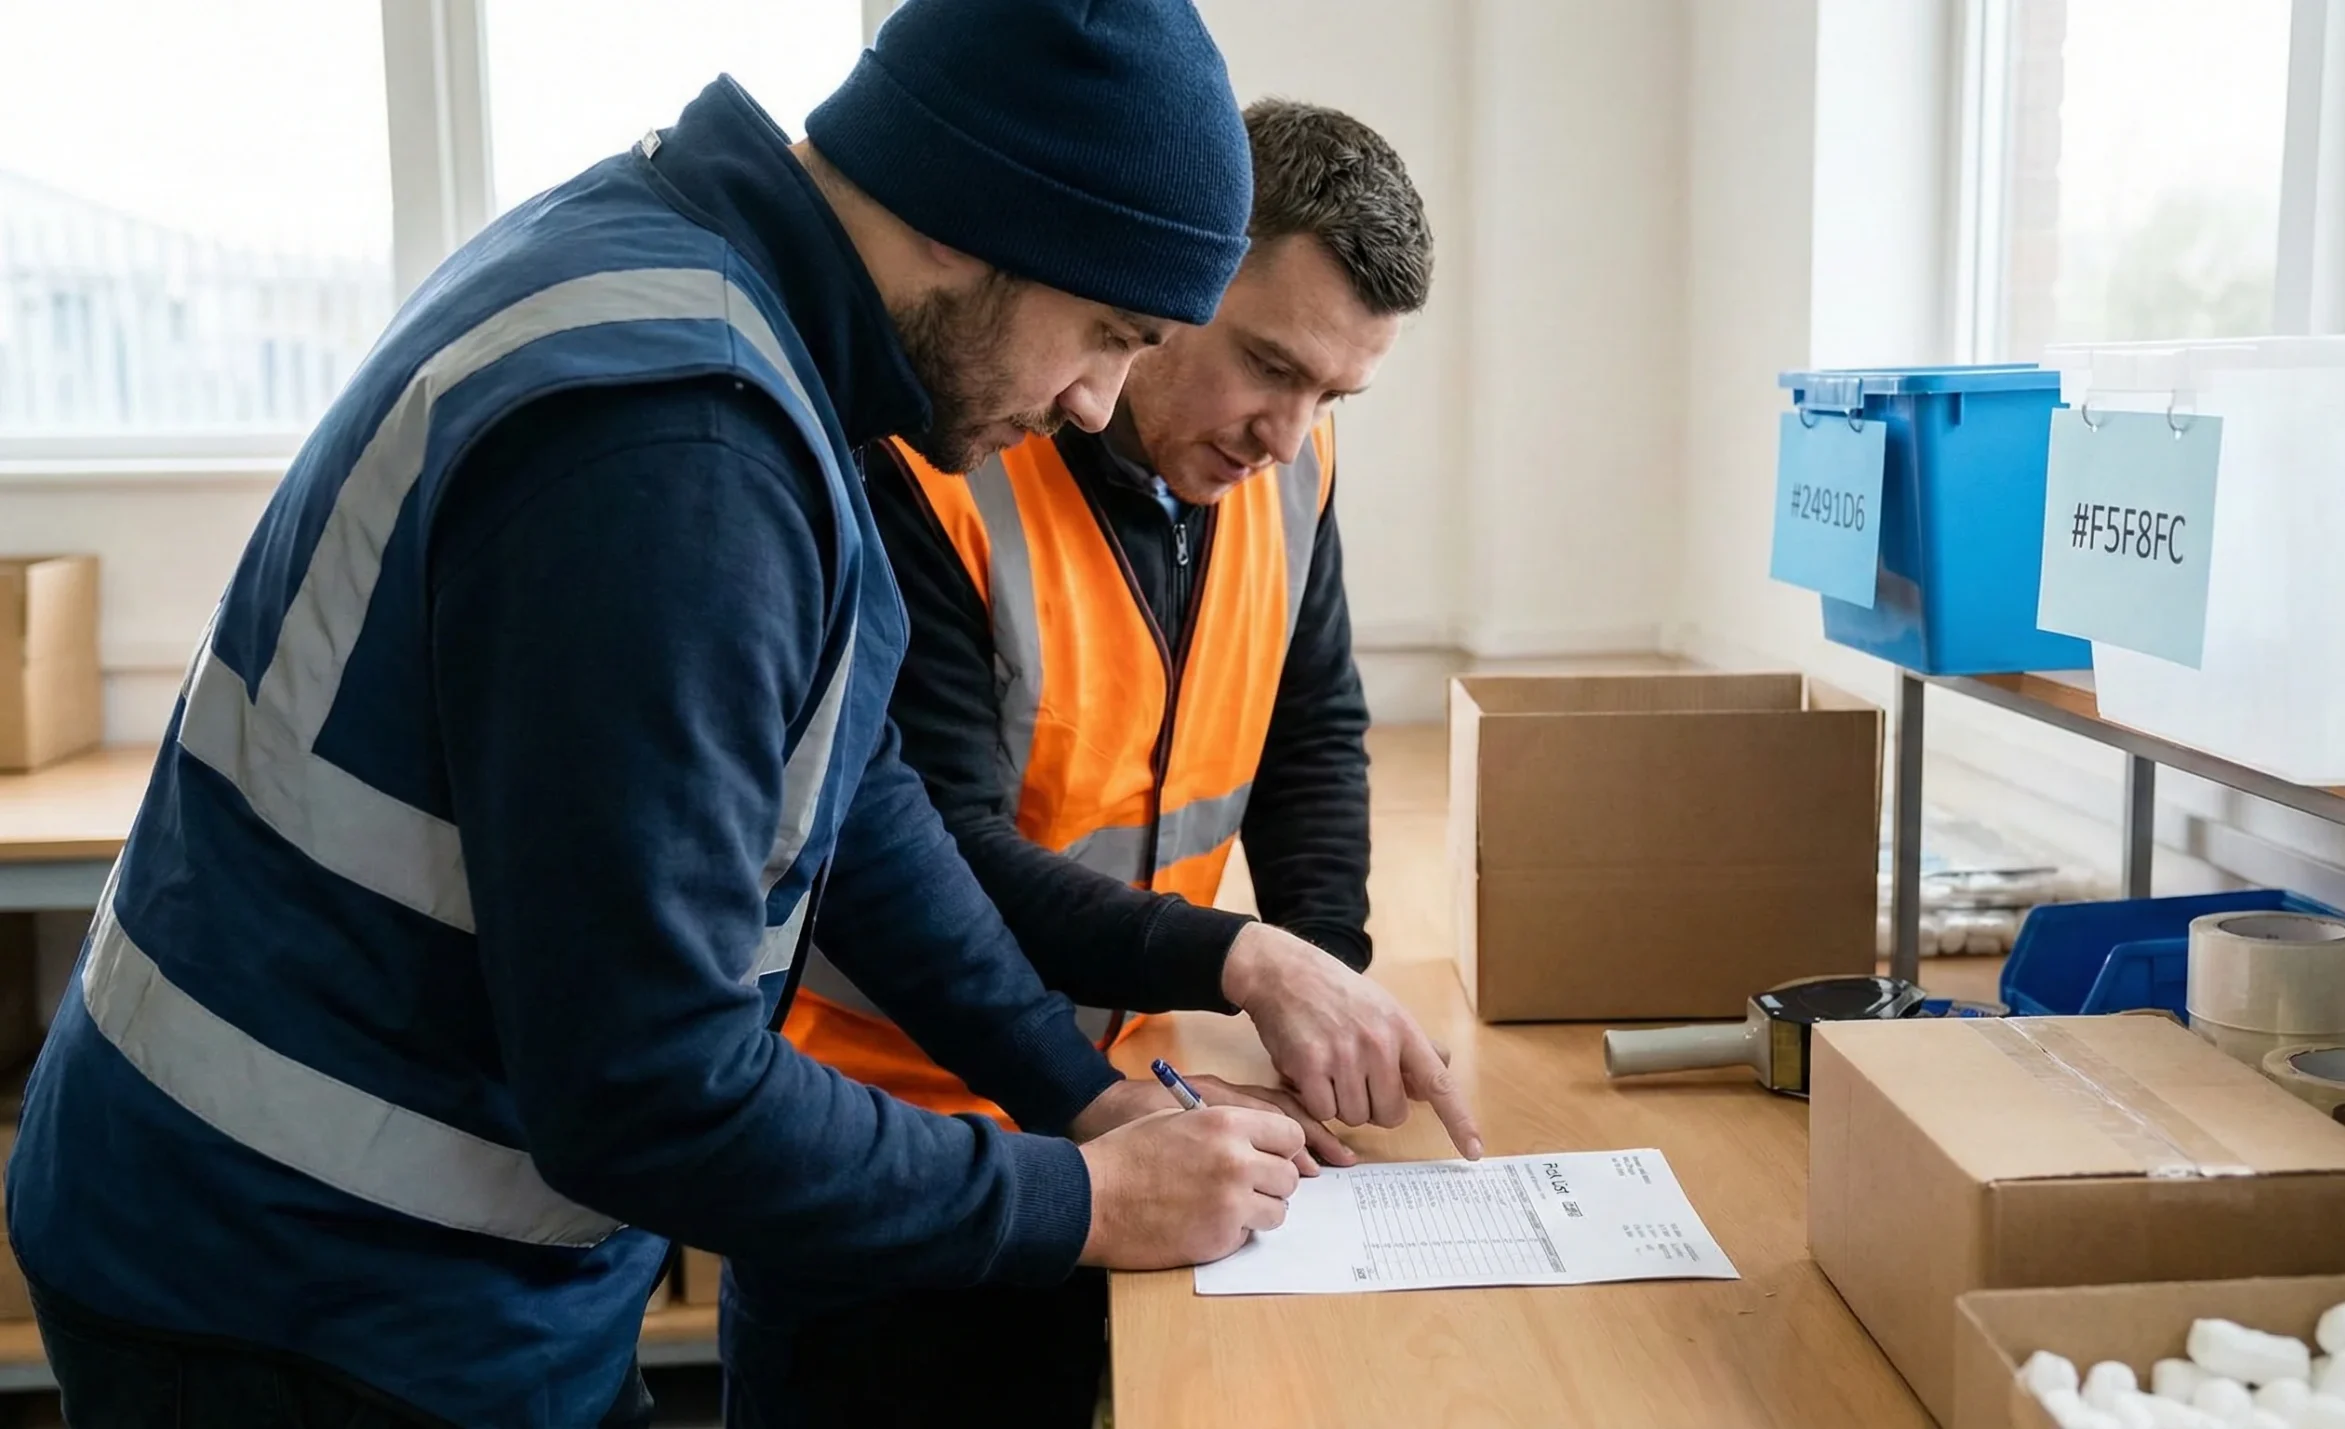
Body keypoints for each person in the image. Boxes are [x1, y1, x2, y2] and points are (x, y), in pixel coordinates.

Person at [5, 4, 1326, 1425]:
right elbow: (652, 1084)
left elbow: (850, 801)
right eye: (1106, 332)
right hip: (296, 1282)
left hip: (391, 1240)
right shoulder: (677, 446)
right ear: (963, 217)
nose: (1091, 403)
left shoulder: (713, 295)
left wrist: (1080, 1097)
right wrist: (1077, 1202)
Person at [730, 98, 1457, 1428]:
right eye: (1269, 365)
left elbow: (1312, 724)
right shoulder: (935, 469)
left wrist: (1324, 972)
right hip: (883, 1139)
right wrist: (1236, 957)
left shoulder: (1290, 466)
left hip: (1120, 1114)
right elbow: (927, 840)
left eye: (1332, 395)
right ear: (1172, 274)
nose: (1286, 434)